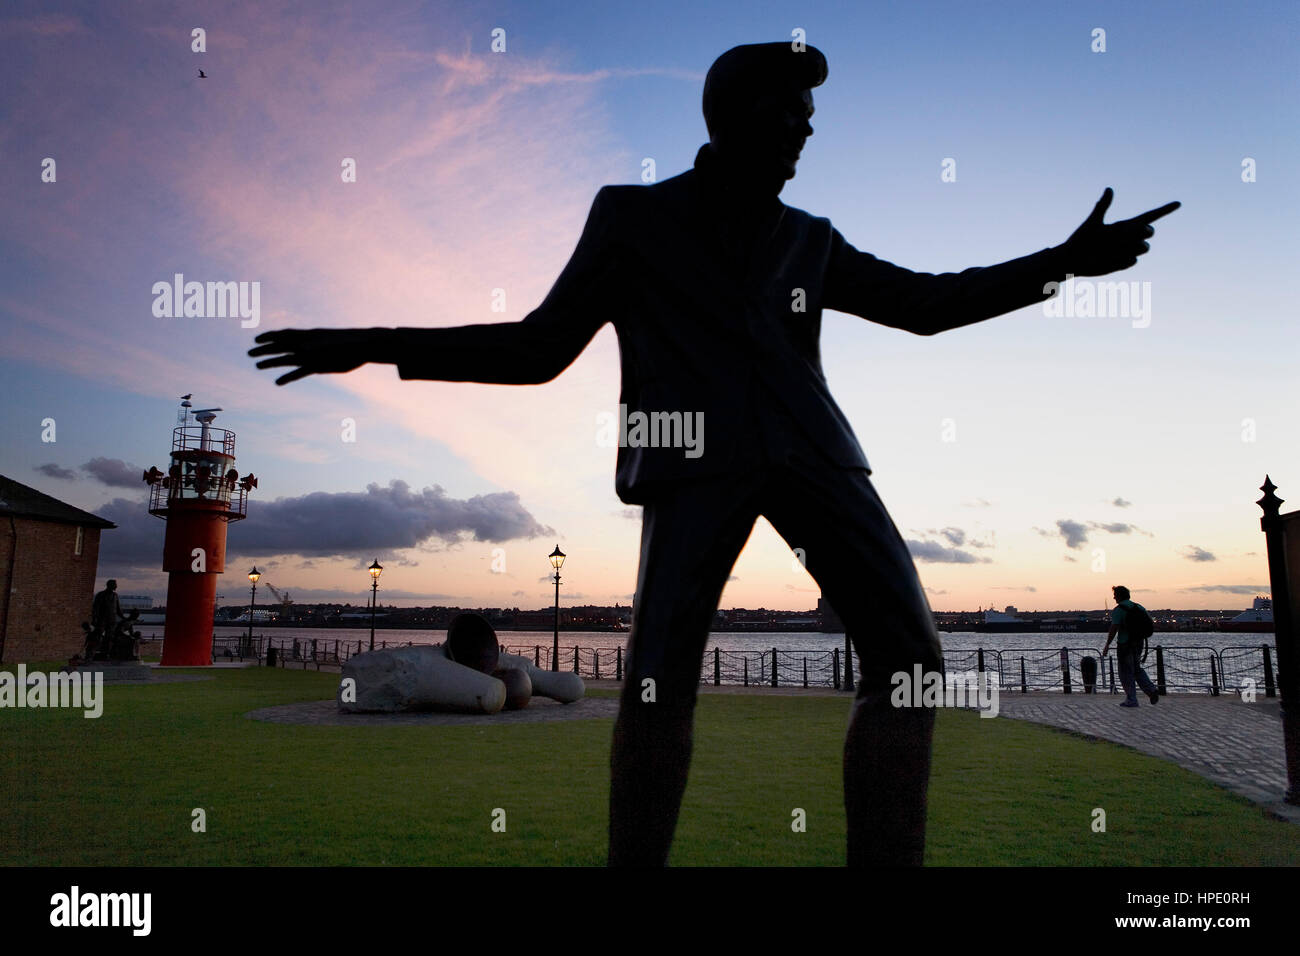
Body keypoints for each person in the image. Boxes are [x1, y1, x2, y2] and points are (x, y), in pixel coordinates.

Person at [249, 42, 1178, 865]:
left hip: (818, 456)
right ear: (732, 116)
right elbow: (537, 350)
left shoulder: (810, 240)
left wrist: (1060, 260)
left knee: (912, 660)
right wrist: (374, 342)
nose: (804, 131)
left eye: (810, 119)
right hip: (690, 461)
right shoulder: (632, 217)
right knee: (657, 682)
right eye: (789, 113)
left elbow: (925, 304)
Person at [1103, 585, 1159, 707]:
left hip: (1125, 644)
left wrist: (1107, 644)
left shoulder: (1119, 610)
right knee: (1137, 669)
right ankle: (1151, 690)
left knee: (1125, 672)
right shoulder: (1139, 607)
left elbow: (1114, 629)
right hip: (1139, 642)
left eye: (1115, 595)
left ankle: (1131, 699)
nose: (1114, 597)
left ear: (1119, 596)